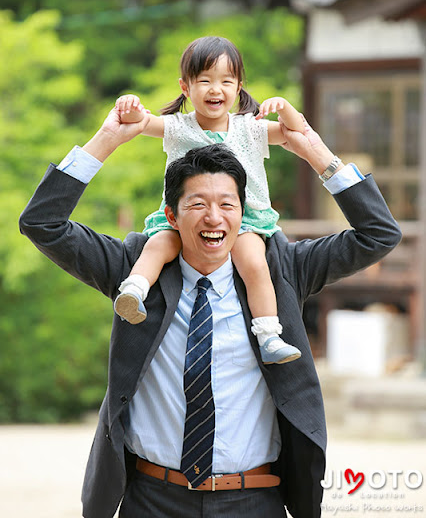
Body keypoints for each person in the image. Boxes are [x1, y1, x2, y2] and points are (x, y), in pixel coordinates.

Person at [19, 90, 401, 518]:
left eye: (227, 205)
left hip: (254, 499)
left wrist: (314, 150)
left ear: (245, 212)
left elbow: (378, 235)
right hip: (151, 499)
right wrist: (106, 139)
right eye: (197, 204)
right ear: (170, 214)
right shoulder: (136, 269)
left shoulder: (281, 271)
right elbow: (42, 223)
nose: (214, 218)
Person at [113, 35, 305, 365]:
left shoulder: (251, 129)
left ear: (239, 86)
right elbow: (138, 122)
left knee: (255, 264)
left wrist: (285, 109)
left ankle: (269, 334)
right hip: (183, 218)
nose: (215, 89)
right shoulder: (177, 127)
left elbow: (296, 131)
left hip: (245, 220)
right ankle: (133, 290)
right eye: (205, 80)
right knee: (159, 244)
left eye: (225, 81)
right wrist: (128, 104)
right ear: (186, 87)